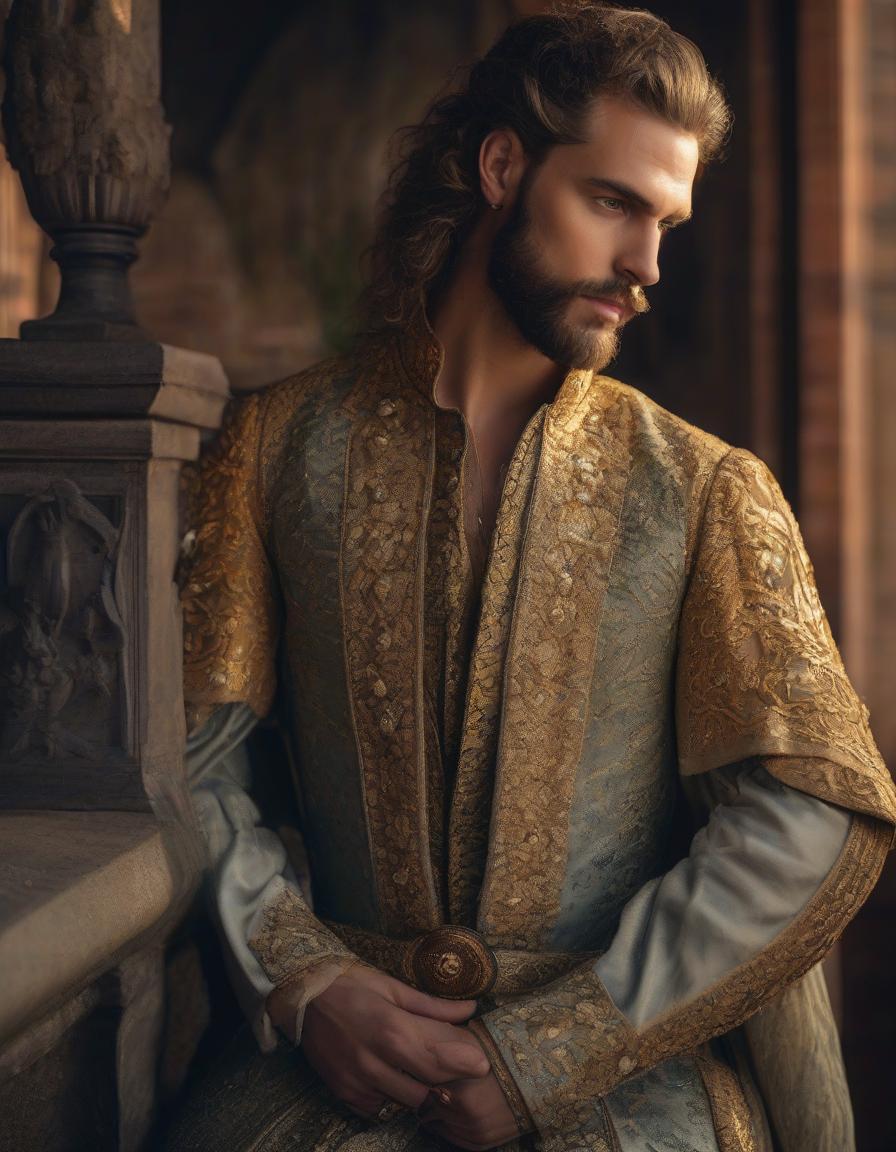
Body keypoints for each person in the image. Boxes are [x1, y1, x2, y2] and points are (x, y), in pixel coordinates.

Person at [165, 5, 896, 1151]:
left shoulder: (702, 489)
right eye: (611, 203)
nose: (644, 266)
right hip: (330, 1073)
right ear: (503, 165)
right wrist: (303, 978)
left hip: (626, 1083)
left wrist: (558, 1047)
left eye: (665, 222)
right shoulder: (273, 449)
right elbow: (191, 763)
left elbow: (805, 810)